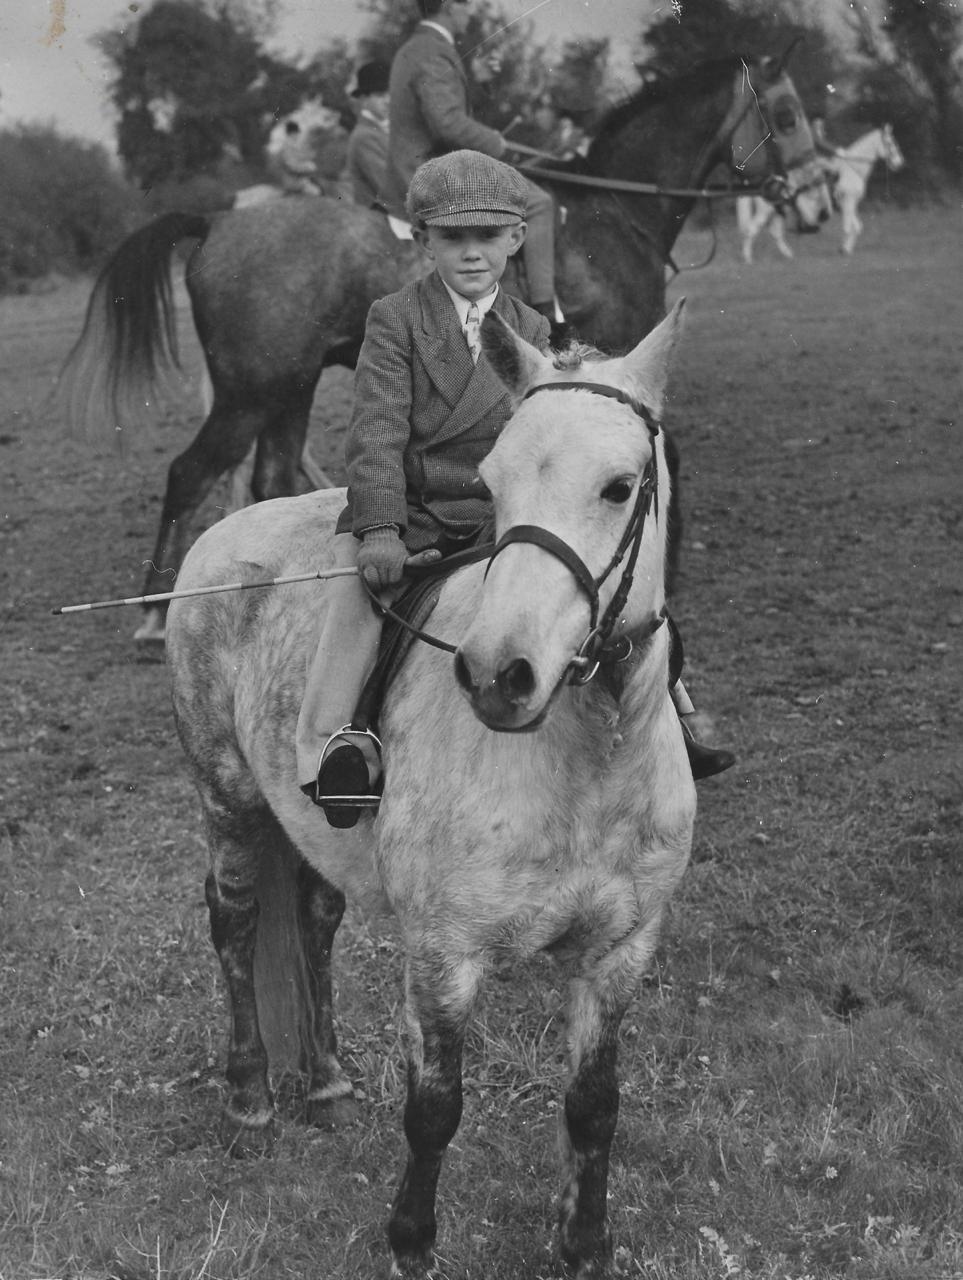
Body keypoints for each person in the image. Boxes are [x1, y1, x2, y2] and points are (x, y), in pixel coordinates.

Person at [295, 150, 552, 827]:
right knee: (359, 596)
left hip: (499, 515)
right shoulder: (394, 318)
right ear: (423, 239)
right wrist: (379, 527)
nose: (472, 255)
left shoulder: (532, 331)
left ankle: (673, 711)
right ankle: (336, 744)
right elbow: (374, 431)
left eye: (487, 238)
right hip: (417, 512)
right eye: (452, 238)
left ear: (515, 239)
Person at [381, 0, 558, 321]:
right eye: (467, 4)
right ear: (449, 6)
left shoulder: (420, 46)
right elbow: (447, 122)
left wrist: (474, 79)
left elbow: (441, 104)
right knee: (539, 203)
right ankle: (547, 316)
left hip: (420, 168)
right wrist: (495, 142)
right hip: (432, 177)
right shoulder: (434, 52)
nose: (471, 11)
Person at [345, 61, 390, 207]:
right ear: (364, 99)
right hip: (380, 220)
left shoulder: (388, 129)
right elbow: (389, 187)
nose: (388, 101)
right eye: (380, 95)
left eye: (392, 93)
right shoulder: (364, 136)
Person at [277, 120, 322, 196]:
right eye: (296, 133)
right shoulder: (287, 146)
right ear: (292, 133)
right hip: (293, 180)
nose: (298, 135)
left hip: (298, 178)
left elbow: (301, 159)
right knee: (317, 192)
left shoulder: (292, 145)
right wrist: (308, 168)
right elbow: (292, 167)